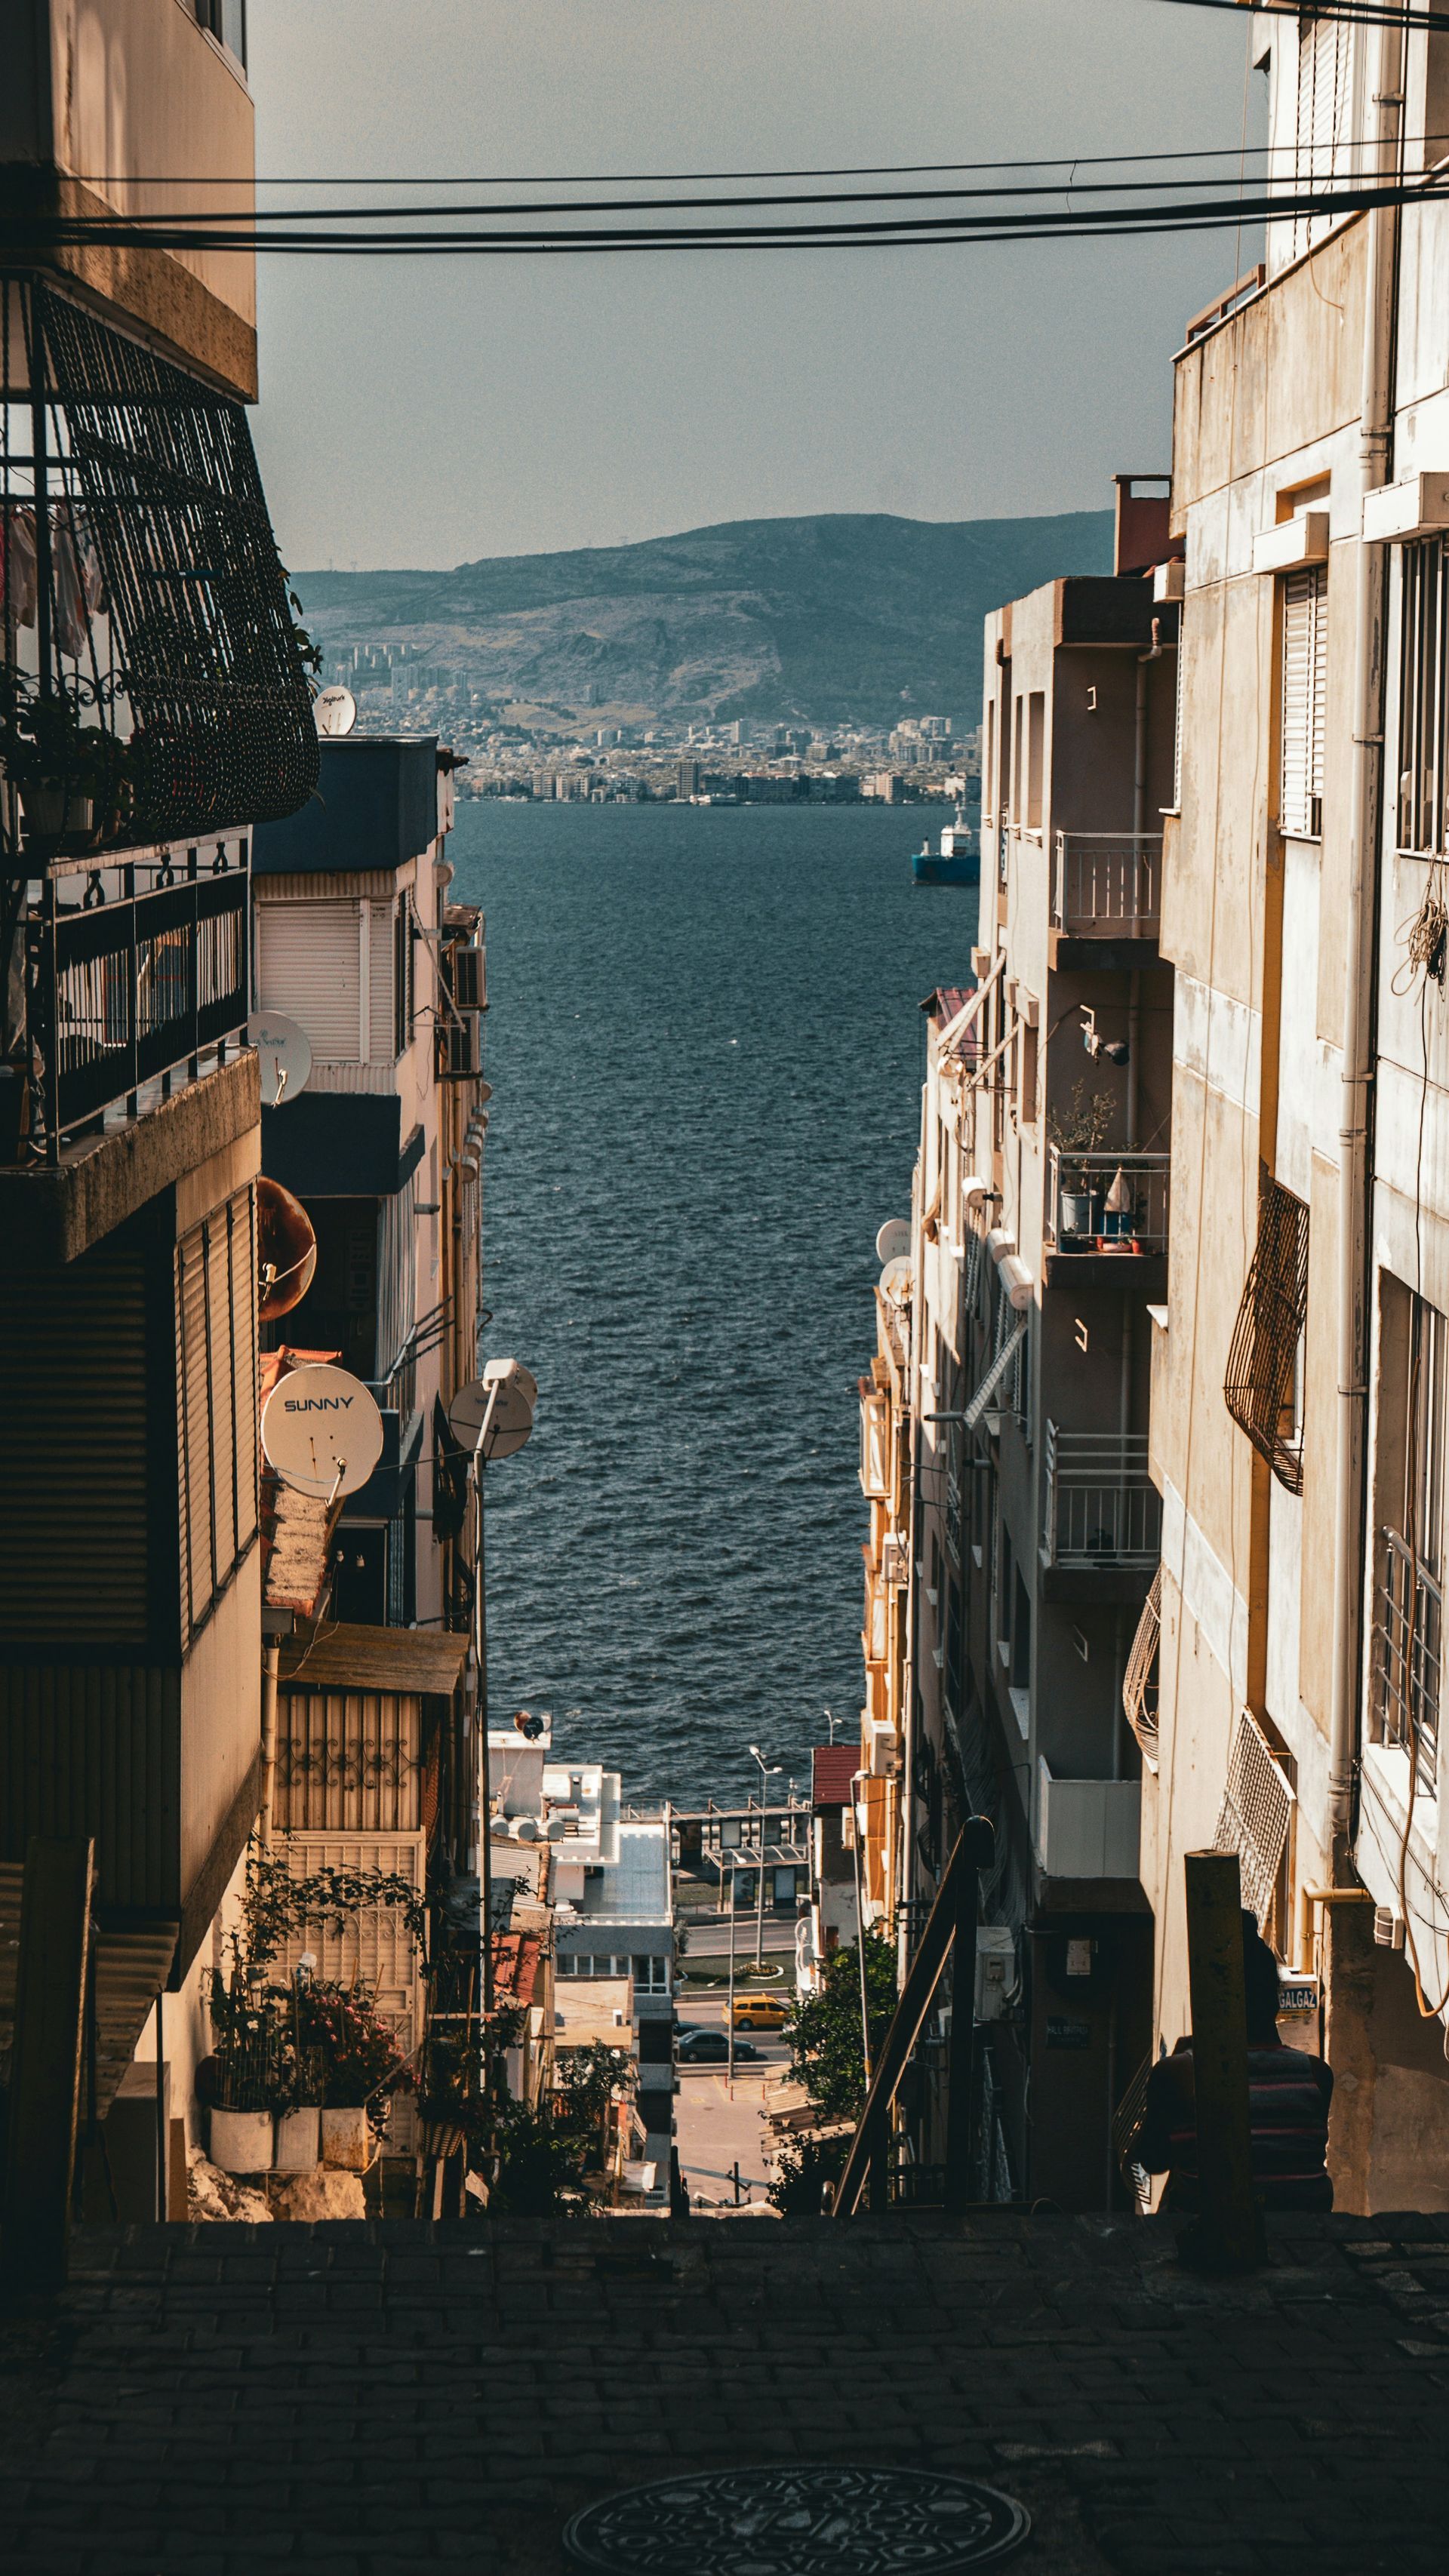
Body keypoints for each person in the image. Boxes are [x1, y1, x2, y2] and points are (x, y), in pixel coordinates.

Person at [1132, 1911, 1334, 2212]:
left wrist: (1180, 2062)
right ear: (1274, 2000)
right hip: (1303, 2234)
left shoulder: (1178, 2075)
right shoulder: (1316, 2074)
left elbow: (1153, 2160)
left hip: (1211, 2236)